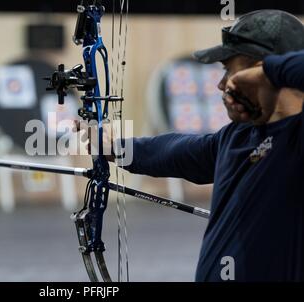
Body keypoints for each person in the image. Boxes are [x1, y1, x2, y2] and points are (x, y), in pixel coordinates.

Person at [78, 10, 304, 281]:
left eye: (231, 71)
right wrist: (114, 147)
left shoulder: (296, 135)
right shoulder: (238, 136)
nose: (222, 84)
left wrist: (268, 71)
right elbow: (178, 152)